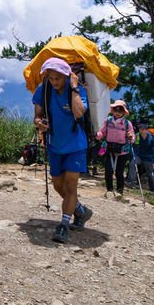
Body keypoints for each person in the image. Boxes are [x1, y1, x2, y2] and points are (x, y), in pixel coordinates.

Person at [33, 56, 93, 243]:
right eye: (51, 78)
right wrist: (40, 124)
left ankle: (64, 225)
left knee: (70, 185)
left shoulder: (77, 89)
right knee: (58, 185)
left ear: (66, 75)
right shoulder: (43, 91)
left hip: (76, 145)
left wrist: (74, 87)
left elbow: (79, 112)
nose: (55, 82)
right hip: (54, 144)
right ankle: (81, 211)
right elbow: (37, 117)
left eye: (58, 78)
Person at [95, 100, 135, 197]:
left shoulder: (127, 123)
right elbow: (102, 132)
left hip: (122, 150)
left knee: (119, 171)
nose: (118, 112)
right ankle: (109, 190)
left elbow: (132, 136)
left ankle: (119, 192)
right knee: (108, 170)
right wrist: (98, 135)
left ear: (124, 112)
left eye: (120, 110)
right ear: (113, 110)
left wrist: (131, 137)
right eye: (116, 110)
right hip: (109, 148)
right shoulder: (108, 120)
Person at [134, 121, 154, 193]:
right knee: (133, 163)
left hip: (148, 158)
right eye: (140, 129)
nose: (141, 130)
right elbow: (134, 145)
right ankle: (130, 182)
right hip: (139, 156)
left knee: (150, 174)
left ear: (146, 129)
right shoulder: (137, 136)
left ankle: (153, 190)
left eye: (143, 129)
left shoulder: (151, 138)